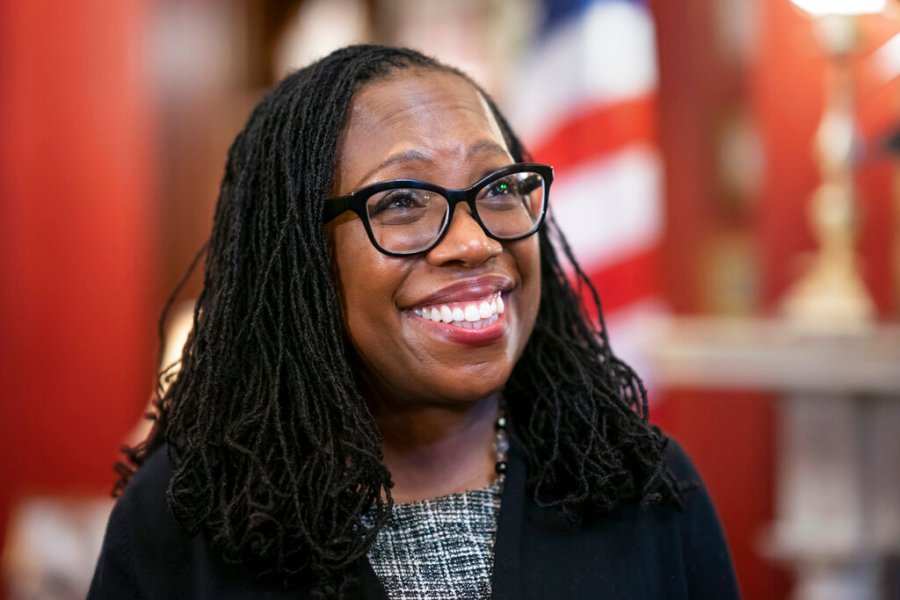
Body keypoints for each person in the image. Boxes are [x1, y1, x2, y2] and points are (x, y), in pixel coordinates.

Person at [89, 45, 739, 599]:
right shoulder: (185, 520)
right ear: (301, 256)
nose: (475, 242)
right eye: (403, 200)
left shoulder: (643, 491)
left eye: (499, 188)